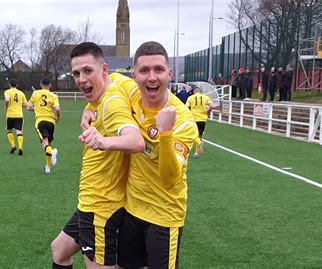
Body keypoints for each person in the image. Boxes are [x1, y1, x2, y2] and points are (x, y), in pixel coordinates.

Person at [51, 42, 145, 269]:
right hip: (91, 202)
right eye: (76, 73)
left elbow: (136, 141)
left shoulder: (112, 105)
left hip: (100, 207)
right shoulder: (116, 85)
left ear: (104, 71)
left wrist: (103, 141)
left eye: (87, 71)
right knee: (60, 249)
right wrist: (88, 107)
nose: (81, 79)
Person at [117, 41, 199, 269]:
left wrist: (165, 133)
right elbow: (106, 81)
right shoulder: (130, 92)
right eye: (144, 70)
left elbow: (170, 178)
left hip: (165, 216)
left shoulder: (183, 120)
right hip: (132, 209)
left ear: (169, 74)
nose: (151, 77)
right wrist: (89, 108)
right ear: (134, 76)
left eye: (159, 70)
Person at [26, 78, 60, 174]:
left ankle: (52, 153)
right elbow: (57, 109)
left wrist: (36, 108)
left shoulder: (35, 94)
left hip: (40, 121)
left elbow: (28, 107)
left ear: (41, 84)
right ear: (50, 85)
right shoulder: (53, 95)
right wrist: (58, 118)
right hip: (51, 122)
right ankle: (48, 167)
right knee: (47, 143)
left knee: (45, 144)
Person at [186, 86, 215, 158]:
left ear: (194, 92)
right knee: (199, 135)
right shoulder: (206, 97)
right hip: (202, 119)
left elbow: (186, 107)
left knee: (194, 135)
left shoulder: (190, 98)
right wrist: (207, 112)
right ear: (201, 92)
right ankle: (196, 153)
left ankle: (199, 143)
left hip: (193, 118)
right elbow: (212, 106)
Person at [4, 79, 27, 155]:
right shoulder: (21, 93)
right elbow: (25, 104)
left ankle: (13, 145)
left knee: (9, 130)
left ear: (9, 85)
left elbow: (7, 100)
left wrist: (6, 106)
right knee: (19, 131)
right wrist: (19, 105)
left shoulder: (7, 91)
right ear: (17, 85)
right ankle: (20, 147)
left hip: (10, 114)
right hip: (19, 115)